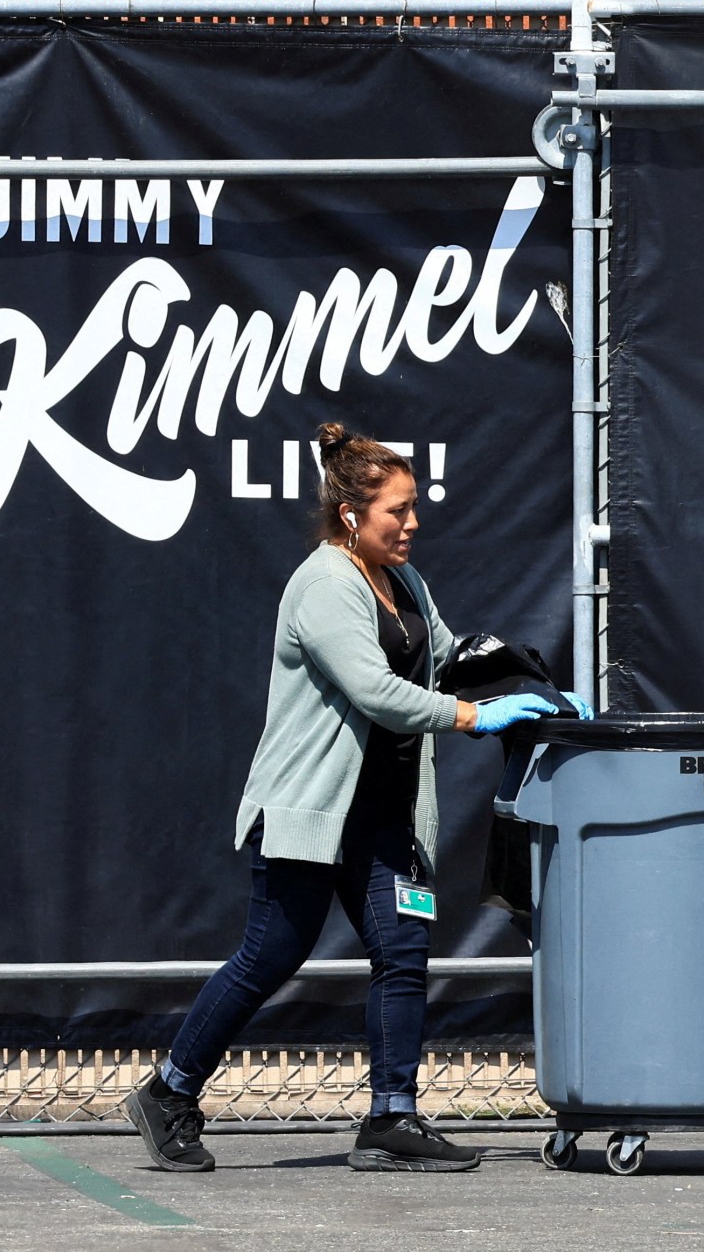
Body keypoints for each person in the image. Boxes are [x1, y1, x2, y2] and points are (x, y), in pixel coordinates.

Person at [124, 423, 588, 1174]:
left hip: (384, 816)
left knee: (402, 950)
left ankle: (391, 1120)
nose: (412, 524)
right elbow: (378, 693)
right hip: (312, 812)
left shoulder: (402, 580)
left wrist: (531, 687)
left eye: (413, 508)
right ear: (350, 515)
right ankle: (169, 1091)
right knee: (270, 955)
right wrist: (478, 717)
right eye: (395, 512)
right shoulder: (325, 584)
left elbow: (441, 656)